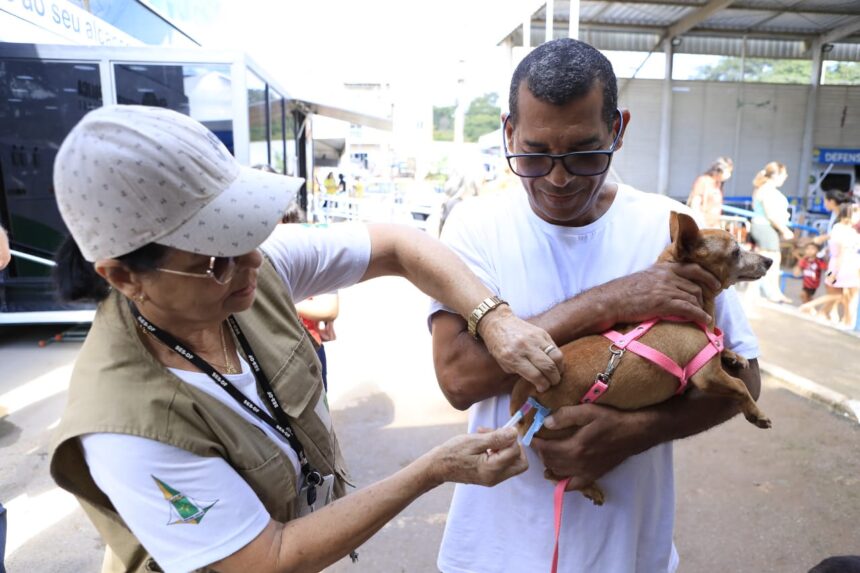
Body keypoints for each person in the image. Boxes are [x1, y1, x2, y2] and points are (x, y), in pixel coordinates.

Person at [48, 105, 564, 573]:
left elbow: (399, 245)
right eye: (215, 258)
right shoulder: (128, 427)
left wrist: (493, 319)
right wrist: (432, 469)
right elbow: (267, 559)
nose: (253, 262)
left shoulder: (249, 271)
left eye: (246, 231)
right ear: (123, 277)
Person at [429, 39, 762, 573]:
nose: (558, 179)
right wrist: (614, 300)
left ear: (619, 129)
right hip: (491, 555)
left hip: (629, 556)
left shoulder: (672, 229)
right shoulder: (476, 228)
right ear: (508, 131)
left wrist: (635, 432)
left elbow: (745, 378)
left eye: (584, 153)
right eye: (534, 155)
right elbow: (459, 379)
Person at [802, 203, 860, 327]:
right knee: (847, 297)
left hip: (837, 265)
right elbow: (842, 253)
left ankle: (820, 312)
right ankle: (847, 323)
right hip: (846, 267)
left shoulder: (838, 228)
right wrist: (834, 273)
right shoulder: (846, 230)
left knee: (839, 296)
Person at [749, 161, 793, 303]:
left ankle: (764, 291)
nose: (786, 176)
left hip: (765, 227)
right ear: (776, 175)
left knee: (768, 259)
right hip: (765, 227)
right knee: (769, 260)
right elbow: (771, 214)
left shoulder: (764, 188)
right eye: (784, 174)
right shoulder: (767, 190)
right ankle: (768, 292)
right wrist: (784, 230)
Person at [686, 156, 733, 229]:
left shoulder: (719, 184)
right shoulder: (703, 181)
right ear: (720, 170)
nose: (729, 174)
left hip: (714, 225)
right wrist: (700, 223)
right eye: (729, 171)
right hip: (702, 224)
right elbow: (695, 204)